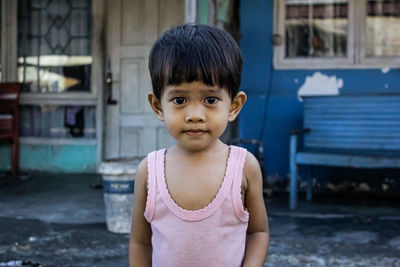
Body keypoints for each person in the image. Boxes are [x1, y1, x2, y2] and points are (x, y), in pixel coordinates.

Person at [129, 23, 269, 267]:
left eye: (210, 99)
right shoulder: (149, 171)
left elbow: (258, 233)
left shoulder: (244, 167)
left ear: (234, 106)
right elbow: (141, 243)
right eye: (180, 99)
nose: (195, 114)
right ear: (158, 106)